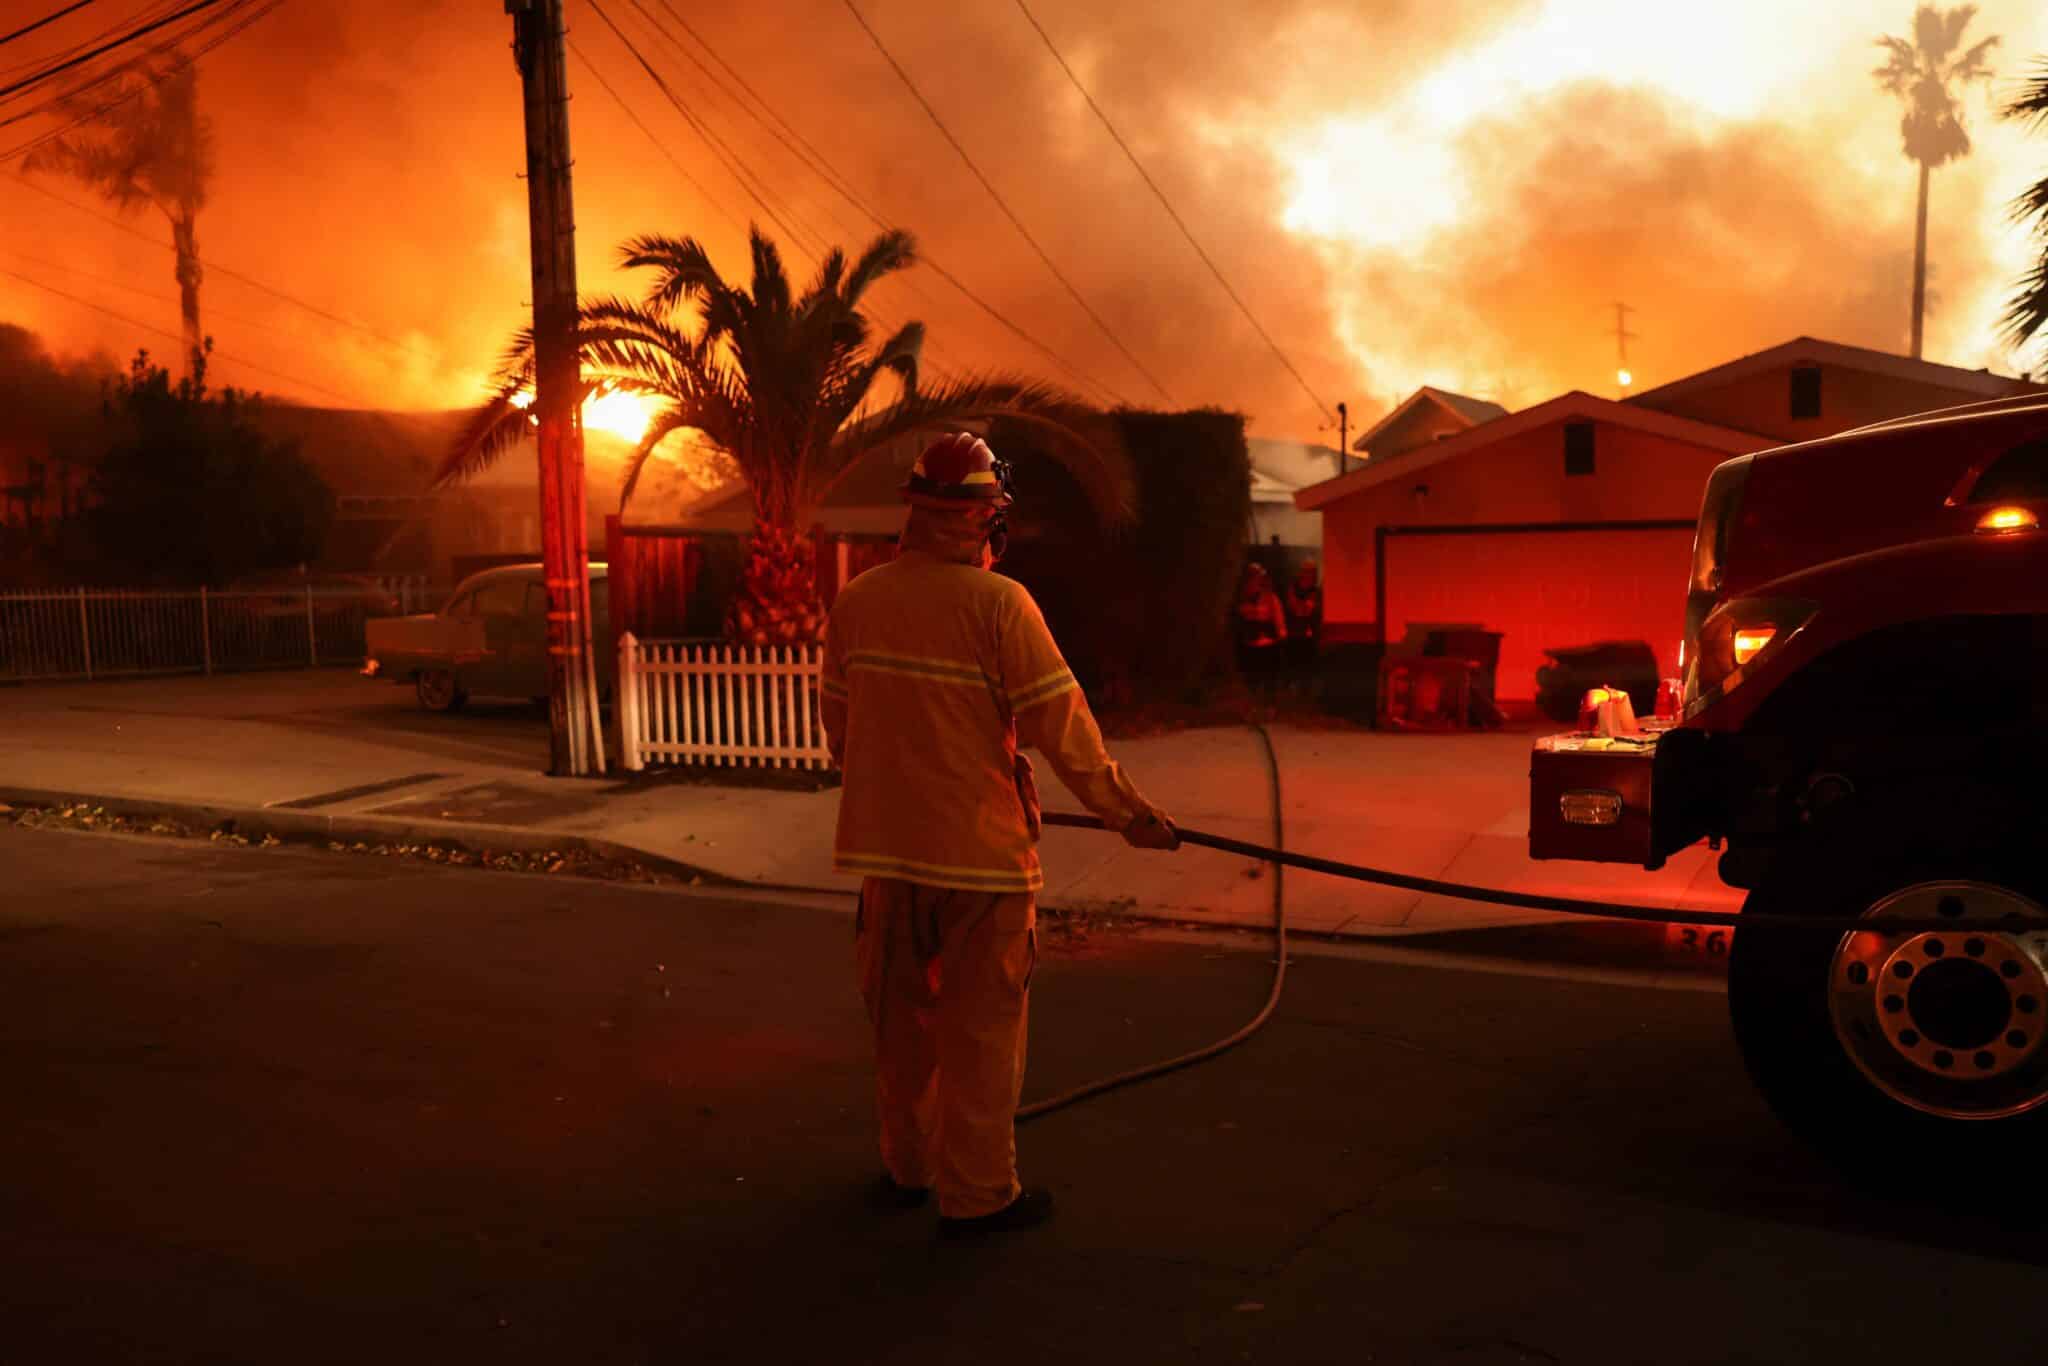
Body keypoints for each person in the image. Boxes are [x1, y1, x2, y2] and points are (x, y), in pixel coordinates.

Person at [820, 432, 1181, 1237]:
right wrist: (1131, 815)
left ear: (914, 511)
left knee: (902, 1029)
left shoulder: (859, 600)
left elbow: (840, 728)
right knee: (980, 1035)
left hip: (886, 857)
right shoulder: (1000, 605)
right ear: (985, 516)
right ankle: (978, 1195)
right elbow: (1063, 726)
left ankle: (908, 1168)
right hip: (983, 861)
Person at [1233, 561, 1287, 704]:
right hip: (1249, 645)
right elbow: (1238, 620)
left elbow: (1278, 617)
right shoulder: (1240, 598)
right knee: (1252, 680)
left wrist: (1281, 634)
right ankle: (1254, 706)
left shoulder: (1270, 598)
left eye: (1258, 577)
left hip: (1268, 644)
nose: (1255, 581)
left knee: (1269, 679)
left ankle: (1269, 707)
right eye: (1252, 577)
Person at [1282, 557, 1323, 694]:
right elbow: (1297, 609)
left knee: (1308, 663)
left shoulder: (1316, 592)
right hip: (1294, 634)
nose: (1310, 575)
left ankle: (1306, 689)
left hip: (1310, 635)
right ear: (1301, 572)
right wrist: (1303, 608)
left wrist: (1305, 608)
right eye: (1308, 571)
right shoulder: (1292, 588)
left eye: (1313, 572)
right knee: (1294, 661)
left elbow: (1308, 609)